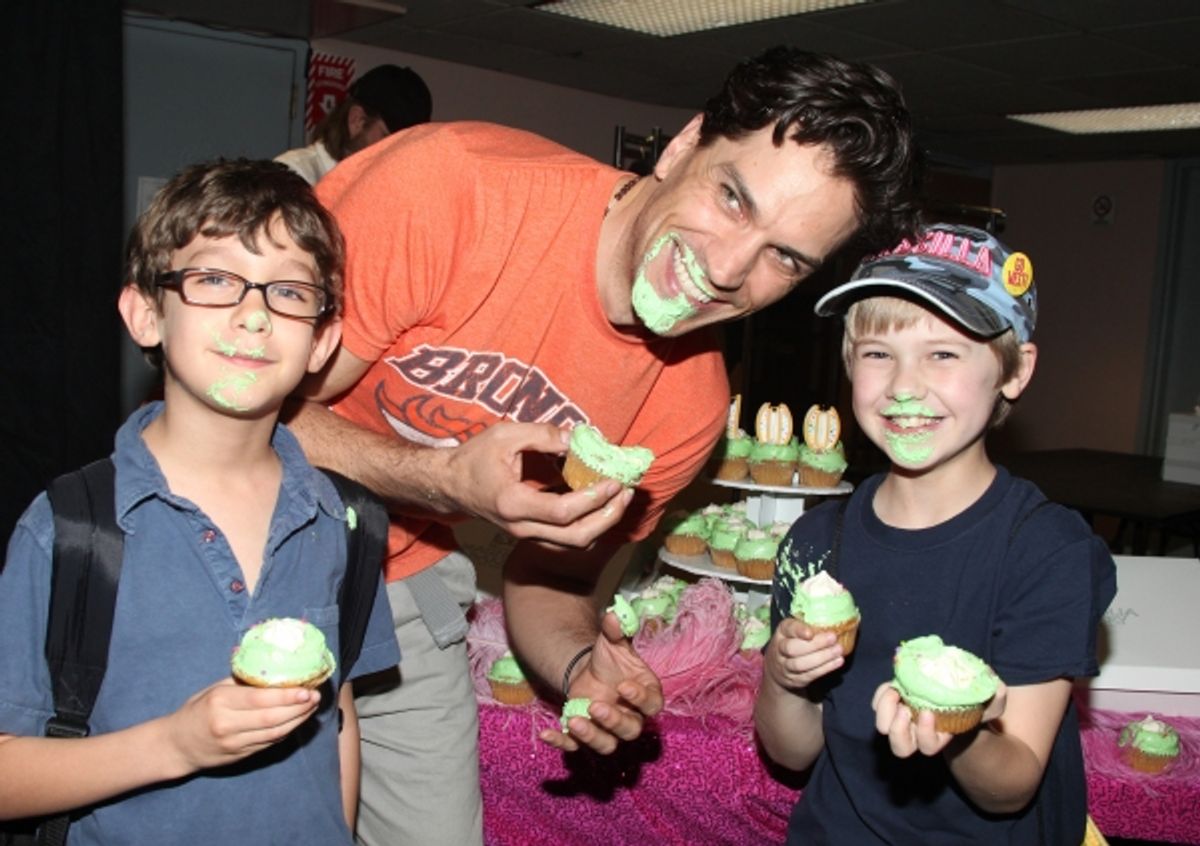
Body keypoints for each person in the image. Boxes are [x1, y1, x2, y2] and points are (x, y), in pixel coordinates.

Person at [287, 46, 921, 846]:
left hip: (398, 580)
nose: (726, 270)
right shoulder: (452, 189)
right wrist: (443, 479)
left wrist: (582, 664)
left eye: (783, 258)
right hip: (238, 539)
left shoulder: (686, 408)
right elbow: (246, 416)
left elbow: (553, 572)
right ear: (684, 146)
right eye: (733, 199)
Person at [0, 159, 401, 843]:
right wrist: (177, 745)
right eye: (214, 279)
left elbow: (337, 714)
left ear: (322, 341)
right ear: (146, 314)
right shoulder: (71, 529)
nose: (253, 315)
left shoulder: (345, 521)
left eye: (288, 292)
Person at [754, 222, 1118, 845]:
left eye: (943, 353)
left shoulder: (1046, 552)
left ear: (1014, 370)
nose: (903, 387)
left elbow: (1013, 785)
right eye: (877, 354)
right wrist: (785, 676)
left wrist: (957, 730)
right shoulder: (816, 541)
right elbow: (791, 752)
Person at [276, 63, 432, 184]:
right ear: (356, 120)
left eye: (405, 145)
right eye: (388, 139)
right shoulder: (296, 175)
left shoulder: (379, 188)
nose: (397, 155)